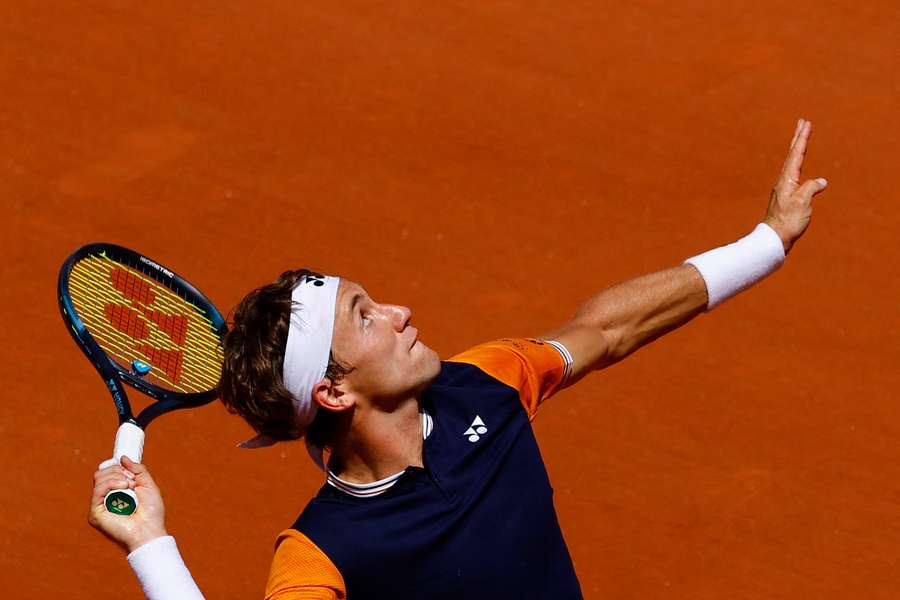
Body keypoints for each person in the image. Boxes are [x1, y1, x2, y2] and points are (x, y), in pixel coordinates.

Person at [89, 119, 828, 599]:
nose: (400, 312)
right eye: (365, 317)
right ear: (336, 392)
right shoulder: (322, 557)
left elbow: (605, 329)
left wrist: (764, 243)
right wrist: (152, 546)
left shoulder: (485, 384)